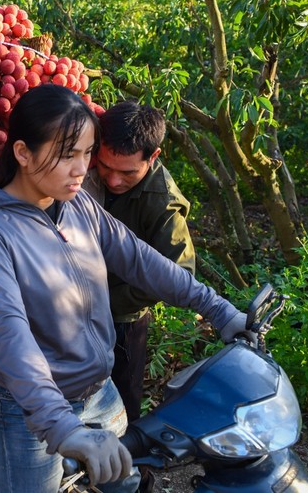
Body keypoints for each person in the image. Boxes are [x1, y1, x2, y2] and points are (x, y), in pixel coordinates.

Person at [0, 84, 253, 493]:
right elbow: (9, 335)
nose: (81, 169)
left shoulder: (79, 205)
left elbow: (141, 260)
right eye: (66, 154)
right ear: (23, 153)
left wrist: (220, 310)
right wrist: (62, 427)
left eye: (85, 153)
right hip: (27, 413)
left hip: (100, 392)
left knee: (125, 486)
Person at [82, 100, 195, 423]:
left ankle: (134, 474)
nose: (114, 180)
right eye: (105, 166)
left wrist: (109, 300)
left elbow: (179, 273)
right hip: (79, 309)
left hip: (123, 321)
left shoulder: (161, 202)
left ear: (153, 157)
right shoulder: (84, 168)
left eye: (127, 172)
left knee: (121, 409)